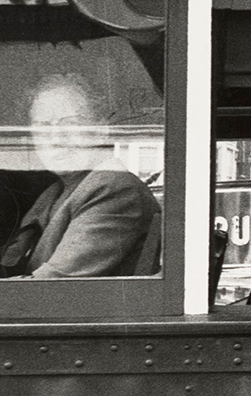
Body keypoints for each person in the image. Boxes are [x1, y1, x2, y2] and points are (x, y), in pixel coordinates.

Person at [1, 73, 161, 278]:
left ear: (101, 129)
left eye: (70, 123)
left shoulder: (114, 188)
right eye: (43, 127)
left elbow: (50, 285)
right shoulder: (53, 193)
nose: (56, 138)